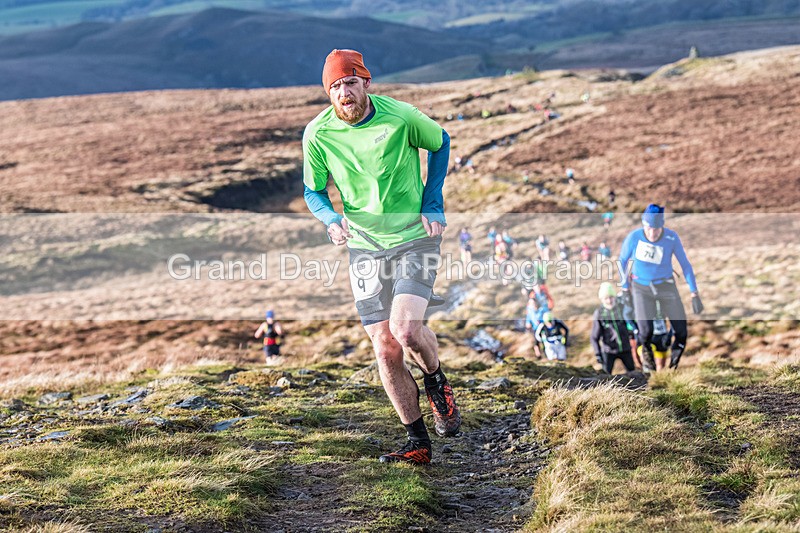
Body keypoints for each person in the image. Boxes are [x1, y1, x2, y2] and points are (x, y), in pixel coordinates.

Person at [302, 49, 461, 464]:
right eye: (335, 87)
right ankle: (418, 444)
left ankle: (436, 379)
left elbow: (441, 141)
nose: (344, 93)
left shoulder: (401, 116)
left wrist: (433, 200)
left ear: (366, 83)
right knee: (384, 346)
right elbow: (313, 190)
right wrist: (330, 218)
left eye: (350, 83)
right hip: (365, 247)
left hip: (414, 237)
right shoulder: (318, 134)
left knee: (406, 331)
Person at [618, 204, 703, 372]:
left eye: (656, 229)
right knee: (645, 331)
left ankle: (672, 367)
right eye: (649, 228)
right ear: (644, 225)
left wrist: (694, 293)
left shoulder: (671, 238)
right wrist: (625, 288)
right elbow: (622, 261)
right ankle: (648, 360)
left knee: (681, 331)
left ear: (662, 226)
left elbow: (685, 265)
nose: (652, 233)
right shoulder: (634, 237)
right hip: (641, 288)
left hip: (666, 286)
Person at [590, 283, 635, 374]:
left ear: (614, 297)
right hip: (608, 351)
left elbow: (631, 324)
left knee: (632, 373)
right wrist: (598, 354)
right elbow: (594, 337)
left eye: (611, 297)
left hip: (625, 348)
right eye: (606, 298)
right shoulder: (599, 313)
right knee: (606, 376)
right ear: (602, 299)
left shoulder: (622, 308)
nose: (609, 301)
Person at [637, 303, 674, 372]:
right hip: (649, 337)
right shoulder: (642, 302)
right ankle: (649, 378)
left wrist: (670, 334)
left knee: (661, 365)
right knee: (647, 362)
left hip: (662, 336)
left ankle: (657, 379)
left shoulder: (663, 303)